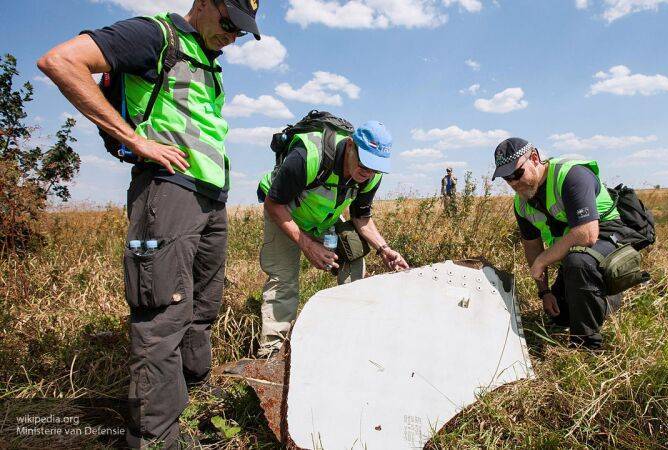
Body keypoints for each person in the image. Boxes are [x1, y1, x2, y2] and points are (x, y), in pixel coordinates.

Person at [37, 1, 261, 447]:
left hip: (209, 197)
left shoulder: (206, 60)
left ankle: (195, 394)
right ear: (205, 4)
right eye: (229, 22)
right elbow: (60, 61)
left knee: (201, 306)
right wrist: (135, 140)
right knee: (162, 313)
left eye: (243, 30)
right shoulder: (156, 36)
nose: (234, 35)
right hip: (168, 191)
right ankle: (155, 437)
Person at [256, 121, 410, 357]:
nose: (367, 172)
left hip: (322, 219)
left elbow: (361, 218)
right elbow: (273, 204)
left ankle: (349, 332)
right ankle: (271, 353)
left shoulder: (370, 176)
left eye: (375, 167)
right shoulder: (308, 157)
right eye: (364, 162)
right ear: (350, 145)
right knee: (284, 279)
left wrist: (384, 249)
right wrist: (308, 246)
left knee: (354, 253)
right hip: (285, 212)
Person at [492, 138, 629, 349]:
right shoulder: (521, 204)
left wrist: (540, 262)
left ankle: (586, 344)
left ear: (535, 158)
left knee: (578, 262)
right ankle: (602, 298)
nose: (514, 183)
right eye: (507, 179)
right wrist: (544, 292)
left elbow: (587, 235)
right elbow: (532, 247)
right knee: (560, 315)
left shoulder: (571, 176)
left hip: (608, 236)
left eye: (518, 173)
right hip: (575, 251)